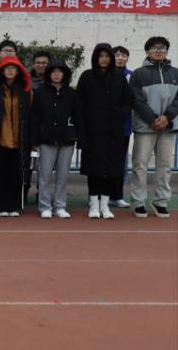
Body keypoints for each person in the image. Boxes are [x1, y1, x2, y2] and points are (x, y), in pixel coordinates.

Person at [76, 43, 133, 220]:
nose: (104, 59)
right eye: (100, 56)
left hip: (113, 131)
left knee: (110, 169)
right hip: (92, 131)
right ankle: (94, 205)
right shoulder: (86, 76)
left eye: (107, 56)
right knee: (94, 169)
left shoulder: (119, 77)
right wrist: (82, 128)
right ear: (95, 58)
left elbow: (128, 100)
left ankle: (105, 205)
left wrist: (121, 115)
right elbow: (79, 104)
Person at [128, 36, 177, 219]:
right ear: (147, 51)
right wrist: (153, 119)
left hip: (168, 126)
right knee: (139, 165)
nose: (159, 50)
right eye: (154, 48)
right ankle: (138, 202)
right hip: (145, 127)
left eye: (162, 47)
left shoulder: (175, 73)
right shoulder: (138, 74)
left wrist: (166, 117)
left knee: (164, 165)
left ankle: (160, 202)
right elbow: (137, 100)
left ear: (167, 51)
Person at [30, 60, 78, 219]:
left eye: (60, 71)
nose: (57, 74)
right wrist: (35, 139)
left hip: (67, 139)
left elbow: (77, 116)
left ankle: (60, 206)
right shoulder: (40, 92)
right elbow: (35, 117)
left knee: (63, 175)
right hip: (46, 139)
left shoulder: (71, 93)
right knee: (44, 175)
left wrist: (77, 135)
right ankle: (44, 206)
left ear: (65, 74)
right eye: (53, 71)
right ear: (49, 74)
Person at [0, 56, 34, 217]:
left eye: (13, 68)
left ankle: (13, 206)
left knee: (16, 174)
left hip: (20, 140)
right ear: (1, 71)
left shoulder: (26, 93)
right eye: (7, 68)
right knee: (0, 174)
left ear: (19, 71)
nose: (10, 71)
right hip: (0, 139)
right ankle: (0, 206)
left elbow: (31, 116)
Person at [109, 45, 133, 209]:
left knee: (120, 163)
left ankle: (117, 196)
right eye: (116, 55)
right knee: (102, 161)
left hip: (124, 127)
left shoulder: (132, 76)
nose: (120, 58)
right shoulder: (104, 74)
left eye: (123, 55)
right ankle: (97, 195)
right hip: (104, 127)